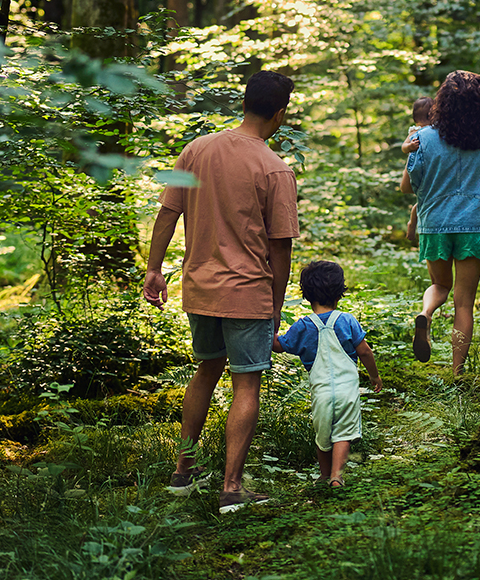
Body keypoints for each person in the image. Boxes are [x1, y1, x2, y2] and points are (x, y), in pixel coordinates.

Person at [143, 70, 298, 514]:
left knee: (206, 371)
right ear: (280, 113)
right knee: (246, 383)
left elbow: (167, 214)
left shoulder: (196, 150)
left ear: (244, 102)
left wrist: (154, 270)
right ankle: (232, 488)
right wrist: (275, 307)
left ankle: (182, 472)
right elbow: (280, 251)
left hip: (201, 288)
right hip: (248, 292)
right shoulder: (275, 169)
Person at [401, 71, 480, 375]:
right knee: (464, 303)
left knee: (439, 284)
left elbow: (409, 187)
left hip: (435, 223)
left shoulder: (422, 138)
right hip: (475, 225)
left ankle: (426, 312)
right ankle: (457, 372)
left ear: (442, 103)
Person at [273, 261, 381, 487]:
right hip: (348, 391)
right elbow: (365, 351)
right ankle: (336, 476)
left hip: (321, 393)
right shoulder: (347, 321)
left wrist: (265, 326)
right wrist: (374, 376)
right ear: (339, 294)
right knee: (343, 434)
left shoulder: (303, 326)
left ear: (307, 295)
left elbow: (279, 345)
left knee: (322, 437)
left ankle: (323, 475)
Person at [401, 96, 433, 241]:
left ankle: (413, 224)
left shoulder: (435, 130)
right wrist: (410, 146)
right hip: (417, 167)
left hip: (428, 168)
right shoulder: (415, 131)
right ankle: (412, 224)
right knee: (421, 201)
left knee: (422, 201)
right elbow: (403, 147)